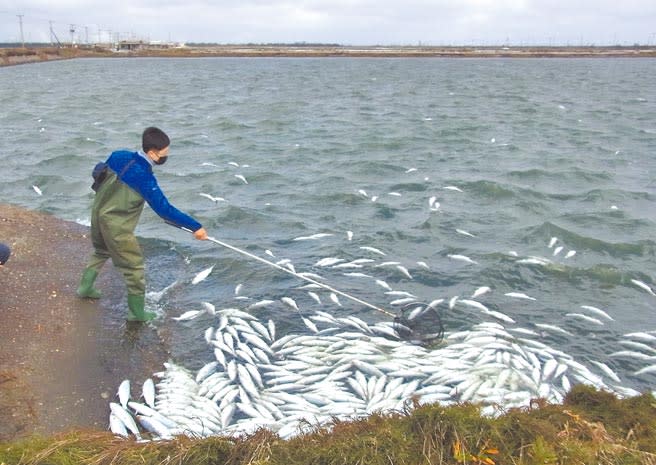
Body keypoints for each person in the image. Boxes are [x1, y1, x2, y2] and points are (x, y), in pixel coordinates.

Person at [77, 127, 208, 321]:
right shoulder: (145, 179)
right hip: (117, 226)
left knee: (100, 251)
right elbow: (165, 210)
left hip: (97, 215)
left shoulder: (117, 155)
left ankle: (85, 288)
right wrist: (195, 227)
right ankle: (136, 313)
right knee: (134, 269)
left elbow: (99, 176)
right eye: (165, 152)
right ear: (153, 153)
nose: (167, 155)